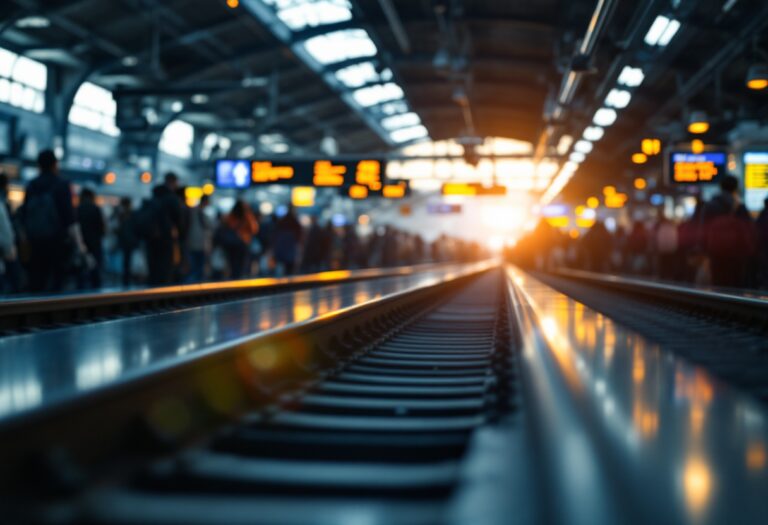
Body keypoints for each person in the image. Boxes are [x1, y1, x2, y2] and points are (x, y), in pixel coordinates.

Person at [21, 150, 87, 292]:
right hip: (57, 242)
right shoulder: (62, 185)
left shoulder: (31, 185)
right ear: (55, 164)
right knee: (57, 283)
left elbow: (24, 214)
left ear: (39, 165)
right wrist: (80, 246)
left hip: (35, 241)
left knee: (37, 281)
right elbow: (70, 218)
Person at [704, 175, 755, 288]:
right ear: (735, 188)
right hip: (736, 253)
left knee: (718, 283)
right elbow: (749, 230)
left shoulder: (710, 206)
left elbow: (703, 230)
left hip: (716, 252)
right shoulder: (740, 207)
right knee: (736, 284)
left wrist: (703, 250)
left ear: (720, 187)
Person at [77, 188, 106, 289]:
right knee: (95, 270)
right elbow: (102, 228)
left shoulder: (78, 209)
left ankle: (79, 294)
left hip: (81, 244)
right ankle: (96, 294)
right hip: (95, 242)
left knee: (81, 270)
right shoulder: (95, 208)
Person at [222, 200, 258, 279]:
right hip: (243, 243)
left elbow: (225, 226)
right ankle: (238, 279)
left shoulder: (231, 216)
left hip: (231, 244)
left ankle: (233, 278)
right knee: (241, 264)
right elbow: (254, 229)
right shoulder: (247, 216)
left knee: (232, 264)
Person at [187, 194, 213, 282]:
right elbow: (209, 226)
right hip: (199, 243)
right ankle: (195, 285)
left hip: (193, 242)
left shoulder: (193, 211)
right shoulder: (199, 213)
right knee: (197, 268)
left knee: (195, 267)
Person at [273, 205, 303, 275]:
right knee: (289, 271)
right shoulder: (295, 222)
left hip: (281, 251)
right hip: (290, 252)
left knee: (279, 271)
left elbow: (275, 235)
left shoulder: (282, 221)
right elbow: (299, 237)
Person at [115, 198, 138, 287]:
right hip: (130, 241)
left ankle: (126, 280)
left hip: (126, 242)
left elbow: (120, 229)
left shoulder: (123, 215)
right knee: (128, 262)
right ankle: (127, 280)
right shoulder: (132, 214)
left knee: (126, 262)